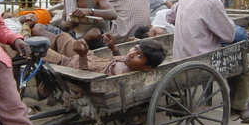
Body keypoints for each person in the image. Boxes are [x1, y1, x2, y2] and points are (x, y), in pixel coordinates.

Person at [170, 0, 249, 123]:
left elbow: (170, 16)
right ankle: (239, 106)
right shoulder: (212, 1)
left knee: (235, 51)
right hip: (203, 60)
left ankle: (238, 104)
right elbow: (229, 35)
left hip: (180, 56)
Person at [32, 26, 166, 76]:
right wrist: (113, 47)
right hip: (88, 57)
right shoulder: (128, 63)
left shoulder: (119, 75)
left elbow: (86, 78)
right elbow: (119, 58)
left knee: (40, 51)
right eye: (134, 49)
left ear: (146, 67)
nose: (131, 53)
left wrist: (83, 56)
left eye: (138, 55)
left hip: (71, 65)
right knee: (64, 37)